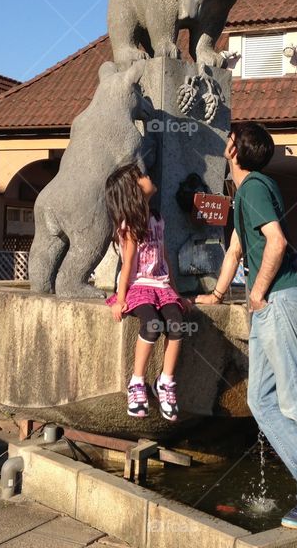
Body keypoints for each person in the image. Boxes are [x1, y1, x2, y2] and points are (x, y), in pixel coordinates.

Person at [196, 121, 297, 530]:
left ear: (234, 150)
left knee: (294, 398)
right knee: (261, 401)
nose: (224, 142)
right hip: (270, 306)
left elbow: (276, 241)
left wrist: (258, 292)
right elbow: (236, 248)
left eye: (229, 138)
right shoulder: (247, 191)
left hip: (278, 301)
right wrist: (218, 293)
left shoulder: (256, 187)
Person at [105, 163, 189, 421]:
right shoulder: (130, 225)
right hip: (138, 286)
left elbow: (163, 257)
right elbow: (127, 265)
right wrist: (120, 300)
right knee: (152, 324)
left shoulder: (157, 218)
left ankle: (165, 381)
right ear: (133, 190)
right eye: (141, 176)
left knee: (177, 324)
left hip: (160, 285)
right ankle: (137, 381)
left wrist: (176, 292)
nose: (148, 176)